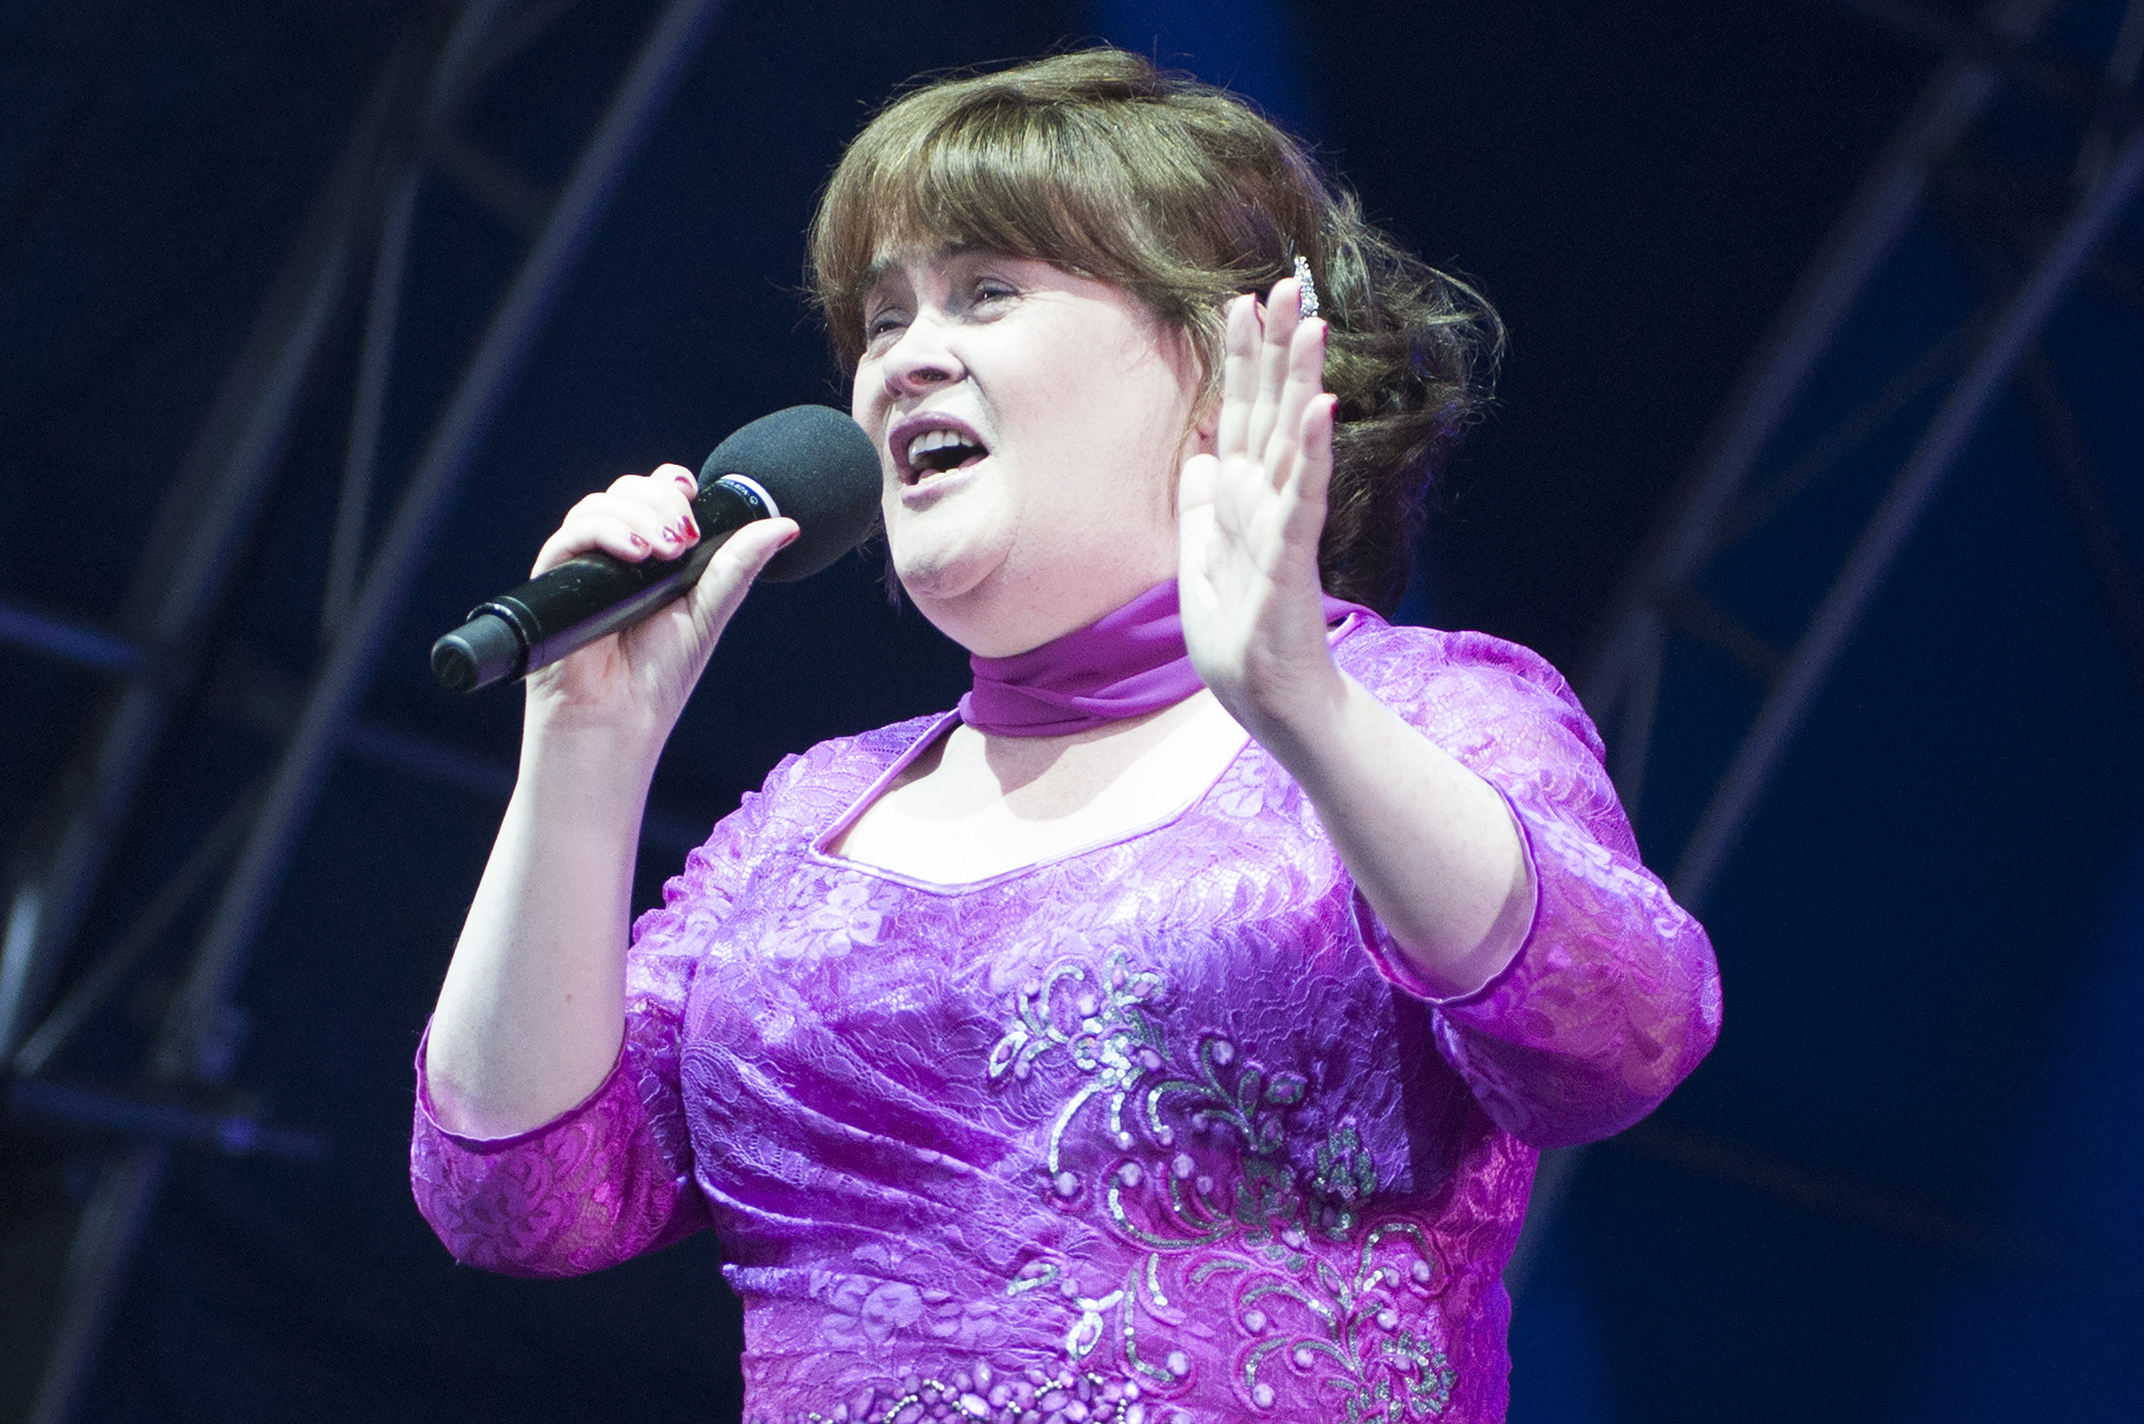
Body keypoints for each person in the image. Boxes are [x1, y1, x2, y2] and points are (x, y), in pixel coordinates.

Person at [411, 49, 1719, 1424]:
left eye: (987, 292)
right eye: (880, 320)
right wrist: (584, 748)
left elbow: (1620, 1034)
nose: (905, 359)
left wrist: (1296, 701)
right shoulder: (805, 824)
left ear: (1219, 361)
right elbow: (513, 1199)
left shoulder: (1424, 713)